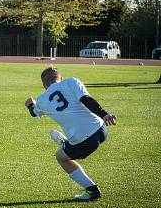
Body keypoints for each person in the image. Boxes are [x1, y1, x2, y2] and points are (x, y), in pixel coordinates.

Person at [25, 67, 116, 201]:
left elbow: (34, 113)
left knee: (61, 157)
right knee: (72, 144)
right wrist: (104, 115)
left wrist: (30, 104)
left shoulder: (42, 99)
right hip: (101, 130)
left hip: (83, 142)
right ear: (60, 78)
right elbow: (86, 99)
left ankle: (92, 190)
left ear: (44, 85)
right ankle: (67, 144)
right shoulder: (71, 81)